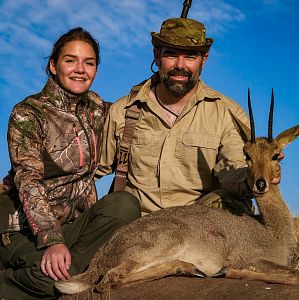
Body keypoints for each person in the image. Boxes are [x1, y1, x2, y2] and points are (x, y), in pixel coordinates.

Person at [0, 27, 141, 299]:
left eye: (89, 63)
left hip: (72, 227)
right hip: (21, 229)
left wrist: (165, 70)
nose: (80, 69)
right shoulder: (28, 113)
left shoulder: (99, 109)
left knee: (125, 204)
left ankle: (70, 267)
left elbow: (135, 108)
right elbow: (28, 180)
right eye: (70, 60)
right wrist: (52, 241)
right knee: (58, 281)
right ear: (53, 66)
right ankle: (10, 281)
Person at [97, 17, 282, 215]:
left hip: (198, 230)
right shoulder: (123, 111)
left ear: (204, 59)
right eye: (171, 54)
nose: (180, 65)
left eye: (190, 56)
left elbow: (234, 166)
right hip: (137, 230)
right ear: (156, 56)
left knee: (227, 205)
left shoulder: (227, 114)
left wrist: (257, 173)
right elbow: (89, 172)